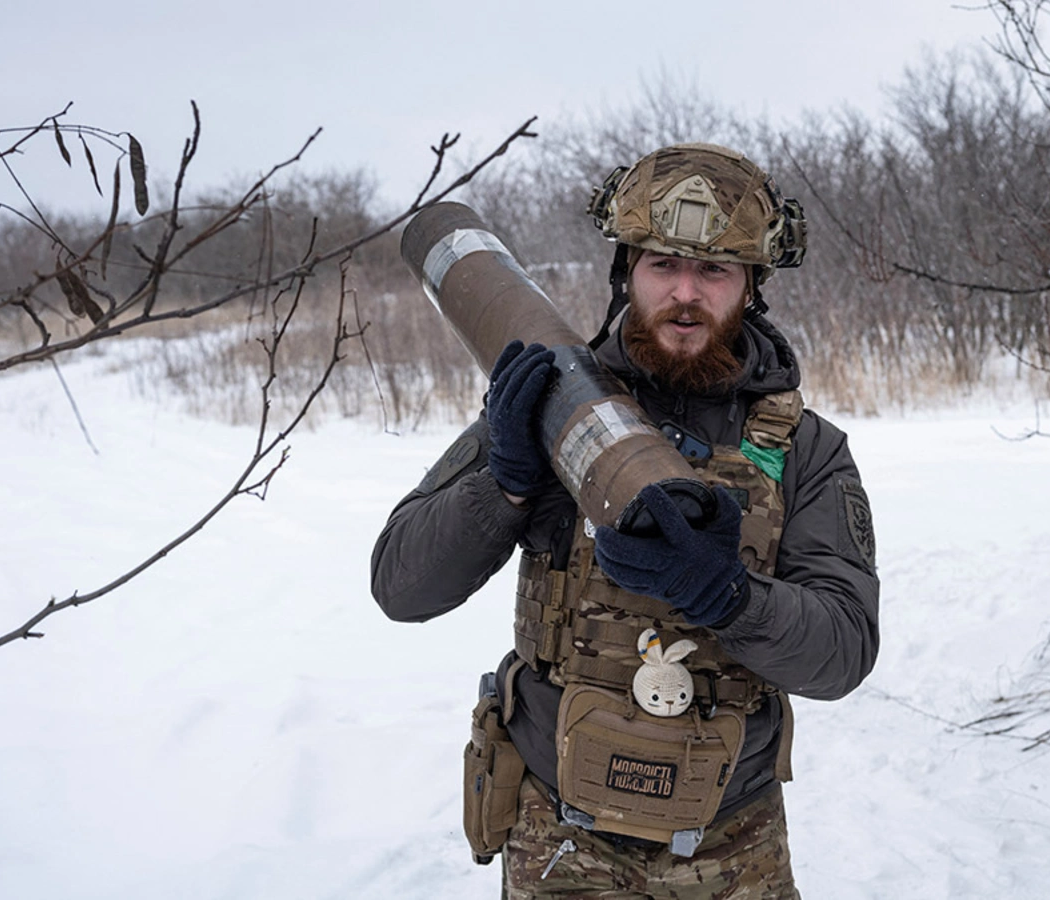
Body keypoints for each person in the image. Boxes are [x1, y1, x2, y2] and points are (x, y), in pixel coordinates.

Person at [371, 142, 879, 899]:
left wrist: (732, 597)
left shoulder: (806, 449)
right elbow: (400, 585)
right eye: (662, 264)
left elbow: (843, 651)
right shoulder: (547, 407)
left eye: (714, 270)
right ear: (625, 271)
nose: (685, 292)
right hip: (560, 835)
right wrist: (505, 485)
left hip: (733, 842)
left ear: (751, 287)